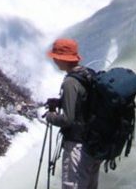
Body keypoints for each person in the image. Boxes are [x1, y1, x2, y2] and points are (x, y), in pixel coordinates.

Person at [44, 38, 101, 189]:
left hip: (77, 147)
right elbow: (84, 105)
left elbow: (68, 119)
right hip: (93, 147)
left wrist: (51, 117)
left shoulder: (70, 82)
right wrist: (61, 102)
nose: (54, 60)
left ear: (63, 58)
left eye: (56, 57)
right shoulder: (87, 74)